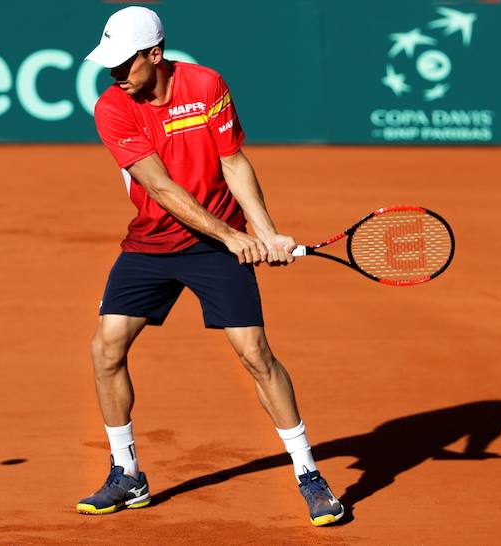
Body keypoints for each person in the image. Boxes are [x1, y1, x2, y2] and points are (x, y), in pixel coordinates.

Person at [76, 6, 344, 527]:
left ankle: (309, 473)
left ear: (155, 55)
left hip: (217, 247)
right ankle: (127, 473)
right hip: (153, 243)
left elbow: (233, 161)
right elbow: (160, 187)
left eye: (124, 63)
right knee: (106, 349)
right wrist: (234, 236)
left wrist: (264, 231)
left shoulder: (205, 85)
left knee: (255, 354)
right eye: (109, 64)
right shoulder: (112, 107)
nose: (114, 74)